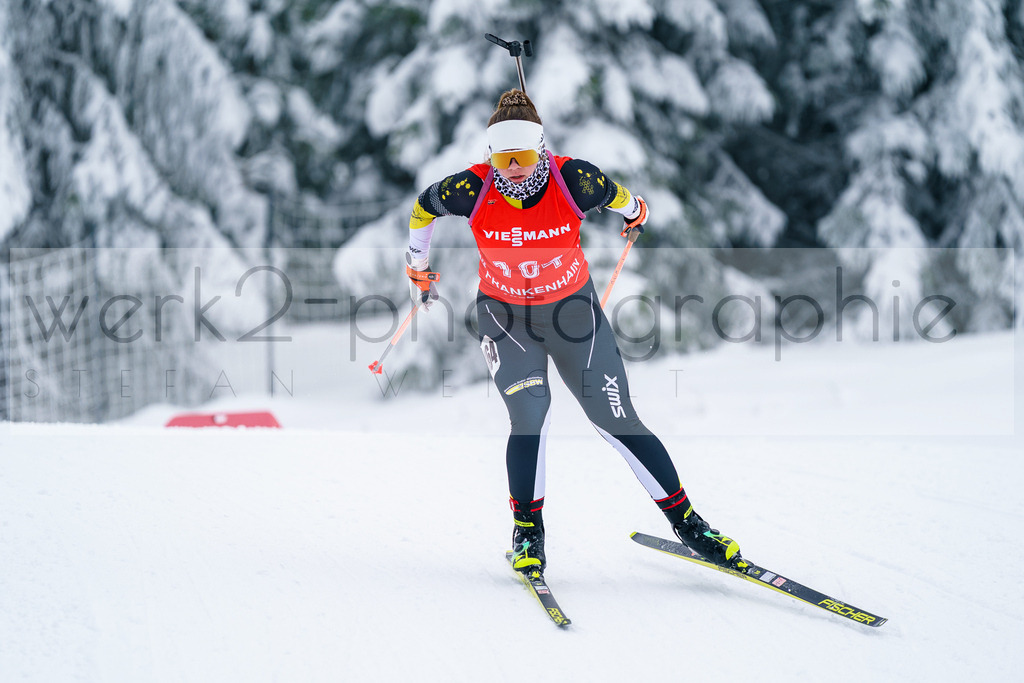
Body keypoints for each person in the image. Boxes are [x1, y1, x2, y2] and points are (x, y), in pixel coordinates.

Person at [405, 89, 745, 574]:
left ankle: (691, 526)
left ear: (541, 147)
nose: (514, 167)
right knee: (531, 414)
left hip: (573, 315)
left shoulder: (576, 180)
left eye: (523, 156)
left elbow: (627, 202)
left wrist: (636, 213)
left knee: (617, 419)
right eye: (503, 158)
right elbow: (423, 208)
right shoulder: (471, 188)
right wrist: (416, 263)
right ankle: (528, 534)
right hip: (506, 320)